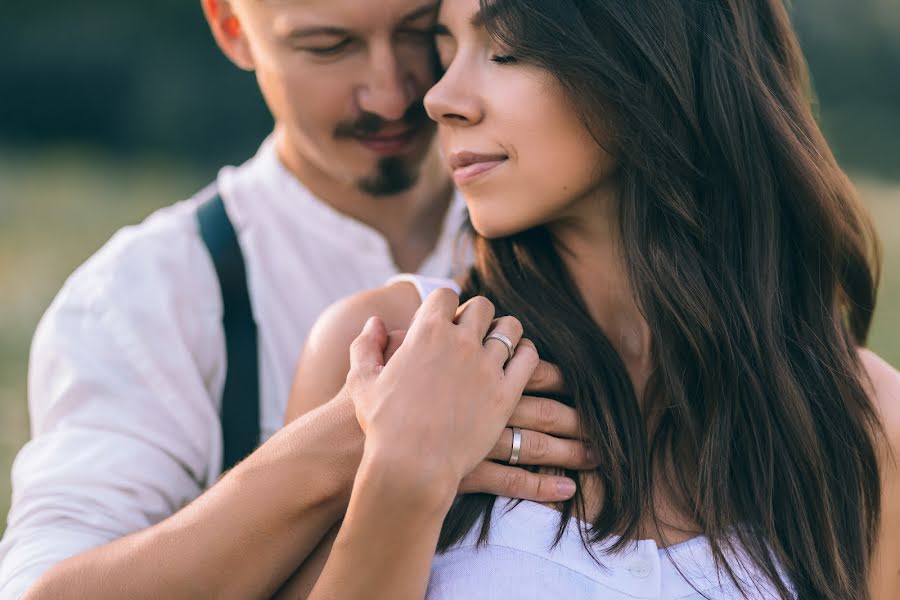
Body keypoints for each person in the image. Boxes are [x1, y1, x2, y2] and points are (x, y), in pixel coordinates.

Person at [269, 0, 900, 598]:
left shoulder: (861, 419)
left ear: (652, 56)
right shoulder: (380, 351)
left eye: (506, 47)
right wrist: (401, 484)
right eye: (445, 50)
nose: (438, 98)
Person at [0, 1, 598, 598]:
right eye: (328, 47)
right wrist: (361, 437)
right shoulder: (143, 297)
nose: (391, 96)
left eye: (421, 35)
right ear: (231, 28)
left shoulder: (591, 247)